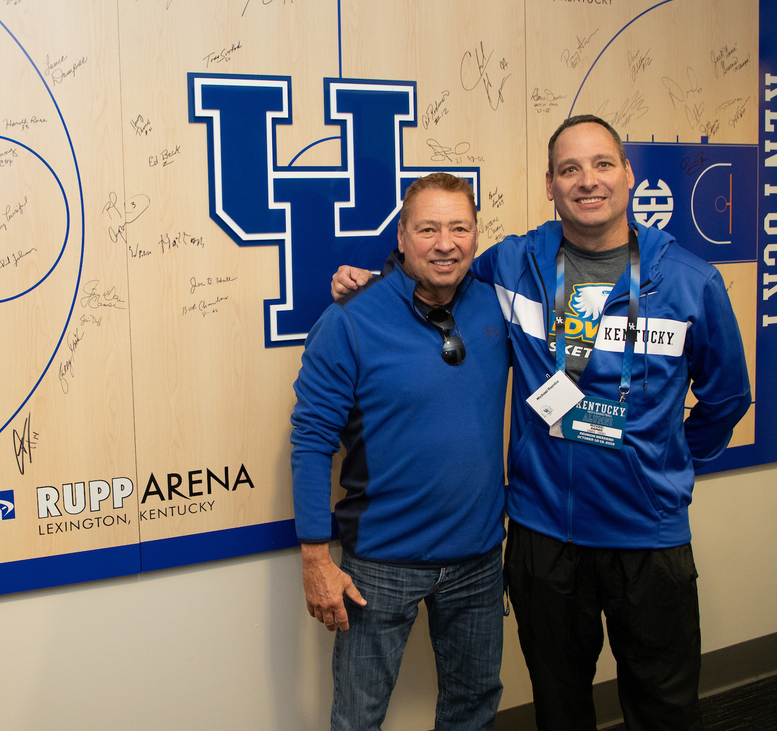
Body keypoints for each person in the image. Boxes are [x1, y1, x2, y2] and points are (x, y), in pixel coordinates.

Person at [331, 115, 752, 731]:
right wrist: (376, 282)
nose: (588, 181)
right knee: (560, 709)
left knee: (663, 709)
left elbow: (727, 398)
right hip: (543, 536)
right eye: (569, 169)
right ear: (550, 186)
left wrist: (664, 458)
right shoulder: (514, 265)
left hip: (648, 537)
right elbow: (439, 274)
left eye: (603, 164)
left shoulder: (690, 282)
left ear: (629, 176)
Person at [292, 172, 511, 731]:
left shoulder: (495, 307)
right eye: (428, 229)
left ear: (476, 237)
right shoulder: (349, 320)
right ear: (401, 239)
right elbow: (312, 439)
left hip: (479, 559)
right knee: (359, 716)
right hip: (381, 565)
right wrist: (316, 559)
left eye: (460, 227)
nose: (445, 243)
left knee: (474, 706)